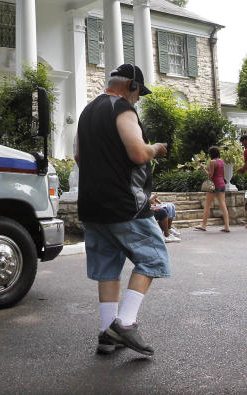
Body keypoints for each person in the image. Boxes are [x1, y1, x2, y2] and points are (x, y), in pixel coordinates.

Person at [75, 63, 169, 356]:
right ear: (131, 86)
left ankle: (107, 333)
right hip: (125, 205)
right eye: (139, 92)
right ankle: (125, 323)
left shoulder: (87, 113)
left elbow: (78, 157)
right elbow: (138, 152)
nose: (138, 99)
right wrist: (155, 148)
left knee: (107, 267)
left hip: (92, 205)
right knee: (153, 258)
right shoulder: (123, 110)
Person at [196, 146, 231, 232]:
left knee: (207, 205)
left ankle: (203, 225)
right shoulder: (221, 161)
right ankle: (227, 226)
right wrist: (205, 168)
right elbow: (220, 173)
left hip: (214, 186)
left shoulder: (212, 162)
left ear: (211, 154)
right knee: (223, 205)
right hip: (222, 184)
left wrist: (203, 168)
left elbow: (210, 175)